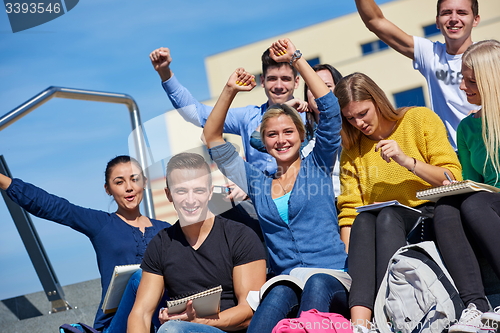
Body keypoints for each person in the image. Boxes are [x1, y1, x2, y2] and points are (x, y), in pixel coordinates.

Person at [203, 38, 349, 333]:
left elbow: (331, 110)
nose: (280, 140)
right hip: (287, 280)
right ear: (264, 142)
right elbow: (213, 138)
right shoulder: (257, 183)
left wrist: (296, 59)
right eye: (272, 135)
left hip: (332, 276)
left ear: (300, 133)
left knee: (316, 285)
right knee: (276, 296)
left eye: (287, 132)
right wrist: (230, 90)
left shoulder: (318, 163)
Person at [333, 72, 462, 331]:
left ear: (378, 101)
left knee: (387, 216)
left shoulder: (418, 119)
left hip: (427, 216)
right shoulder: (352, 148)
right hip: (379, 225)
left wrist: (407, 161)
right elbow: (349, 209)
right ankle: (360, 324)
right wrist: (351, 257)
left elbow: (452, 176)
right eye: (350, 118)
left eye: (363, 113)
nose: (358, 123)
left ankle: (387, 313)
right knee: (365, 219)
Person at [0, 155, 169, 332]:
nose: (129, 188)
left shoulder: (166, 230)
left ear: (144, 182)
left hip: (162, 319)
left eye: (134, 180)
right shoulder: (101, 224)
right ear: (108, 189)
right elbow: (55, 207)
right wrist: (5, 182)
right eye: (119, 182)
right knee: (142, 277)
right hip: (117, 325)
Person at [127, 152, 266, 333]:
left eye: (198, 190)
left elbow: (249, 313)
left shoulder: (240, 237)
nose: (190, 200)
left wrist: (198, 322)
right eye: (181, 191)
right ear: (169, 195)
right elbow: (141, 313)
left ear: (209, 192)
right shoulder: (160, 244)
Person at [432, 39, 500, 333]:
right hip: (490, 204)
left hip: (489, 204)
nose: (463, 87)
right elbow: (475, 182)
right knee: (446, 206)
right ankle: (477, 307)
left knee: (474, 203)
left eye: (470, 81)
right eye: (462, 79)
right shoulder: (467, 127)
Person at [354, 0, 480, 149]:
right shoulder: (430, 54)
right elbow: (374, 21)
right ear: (437, 22)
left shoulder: (488, 57)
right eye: (446, 13)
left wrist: (485, 112)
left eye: (462, 12)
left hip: (486, 146)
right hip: (452, 156)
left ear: (475, 20)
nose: (453, 18)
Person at [249, 63, 344, 196]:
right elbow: (256, 139)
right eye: (312, 87)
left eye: (327, 86)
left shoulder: (352, 124)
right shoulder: (304, 133)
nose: (318, 91)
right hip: (316, 199)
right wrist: (284, 107)